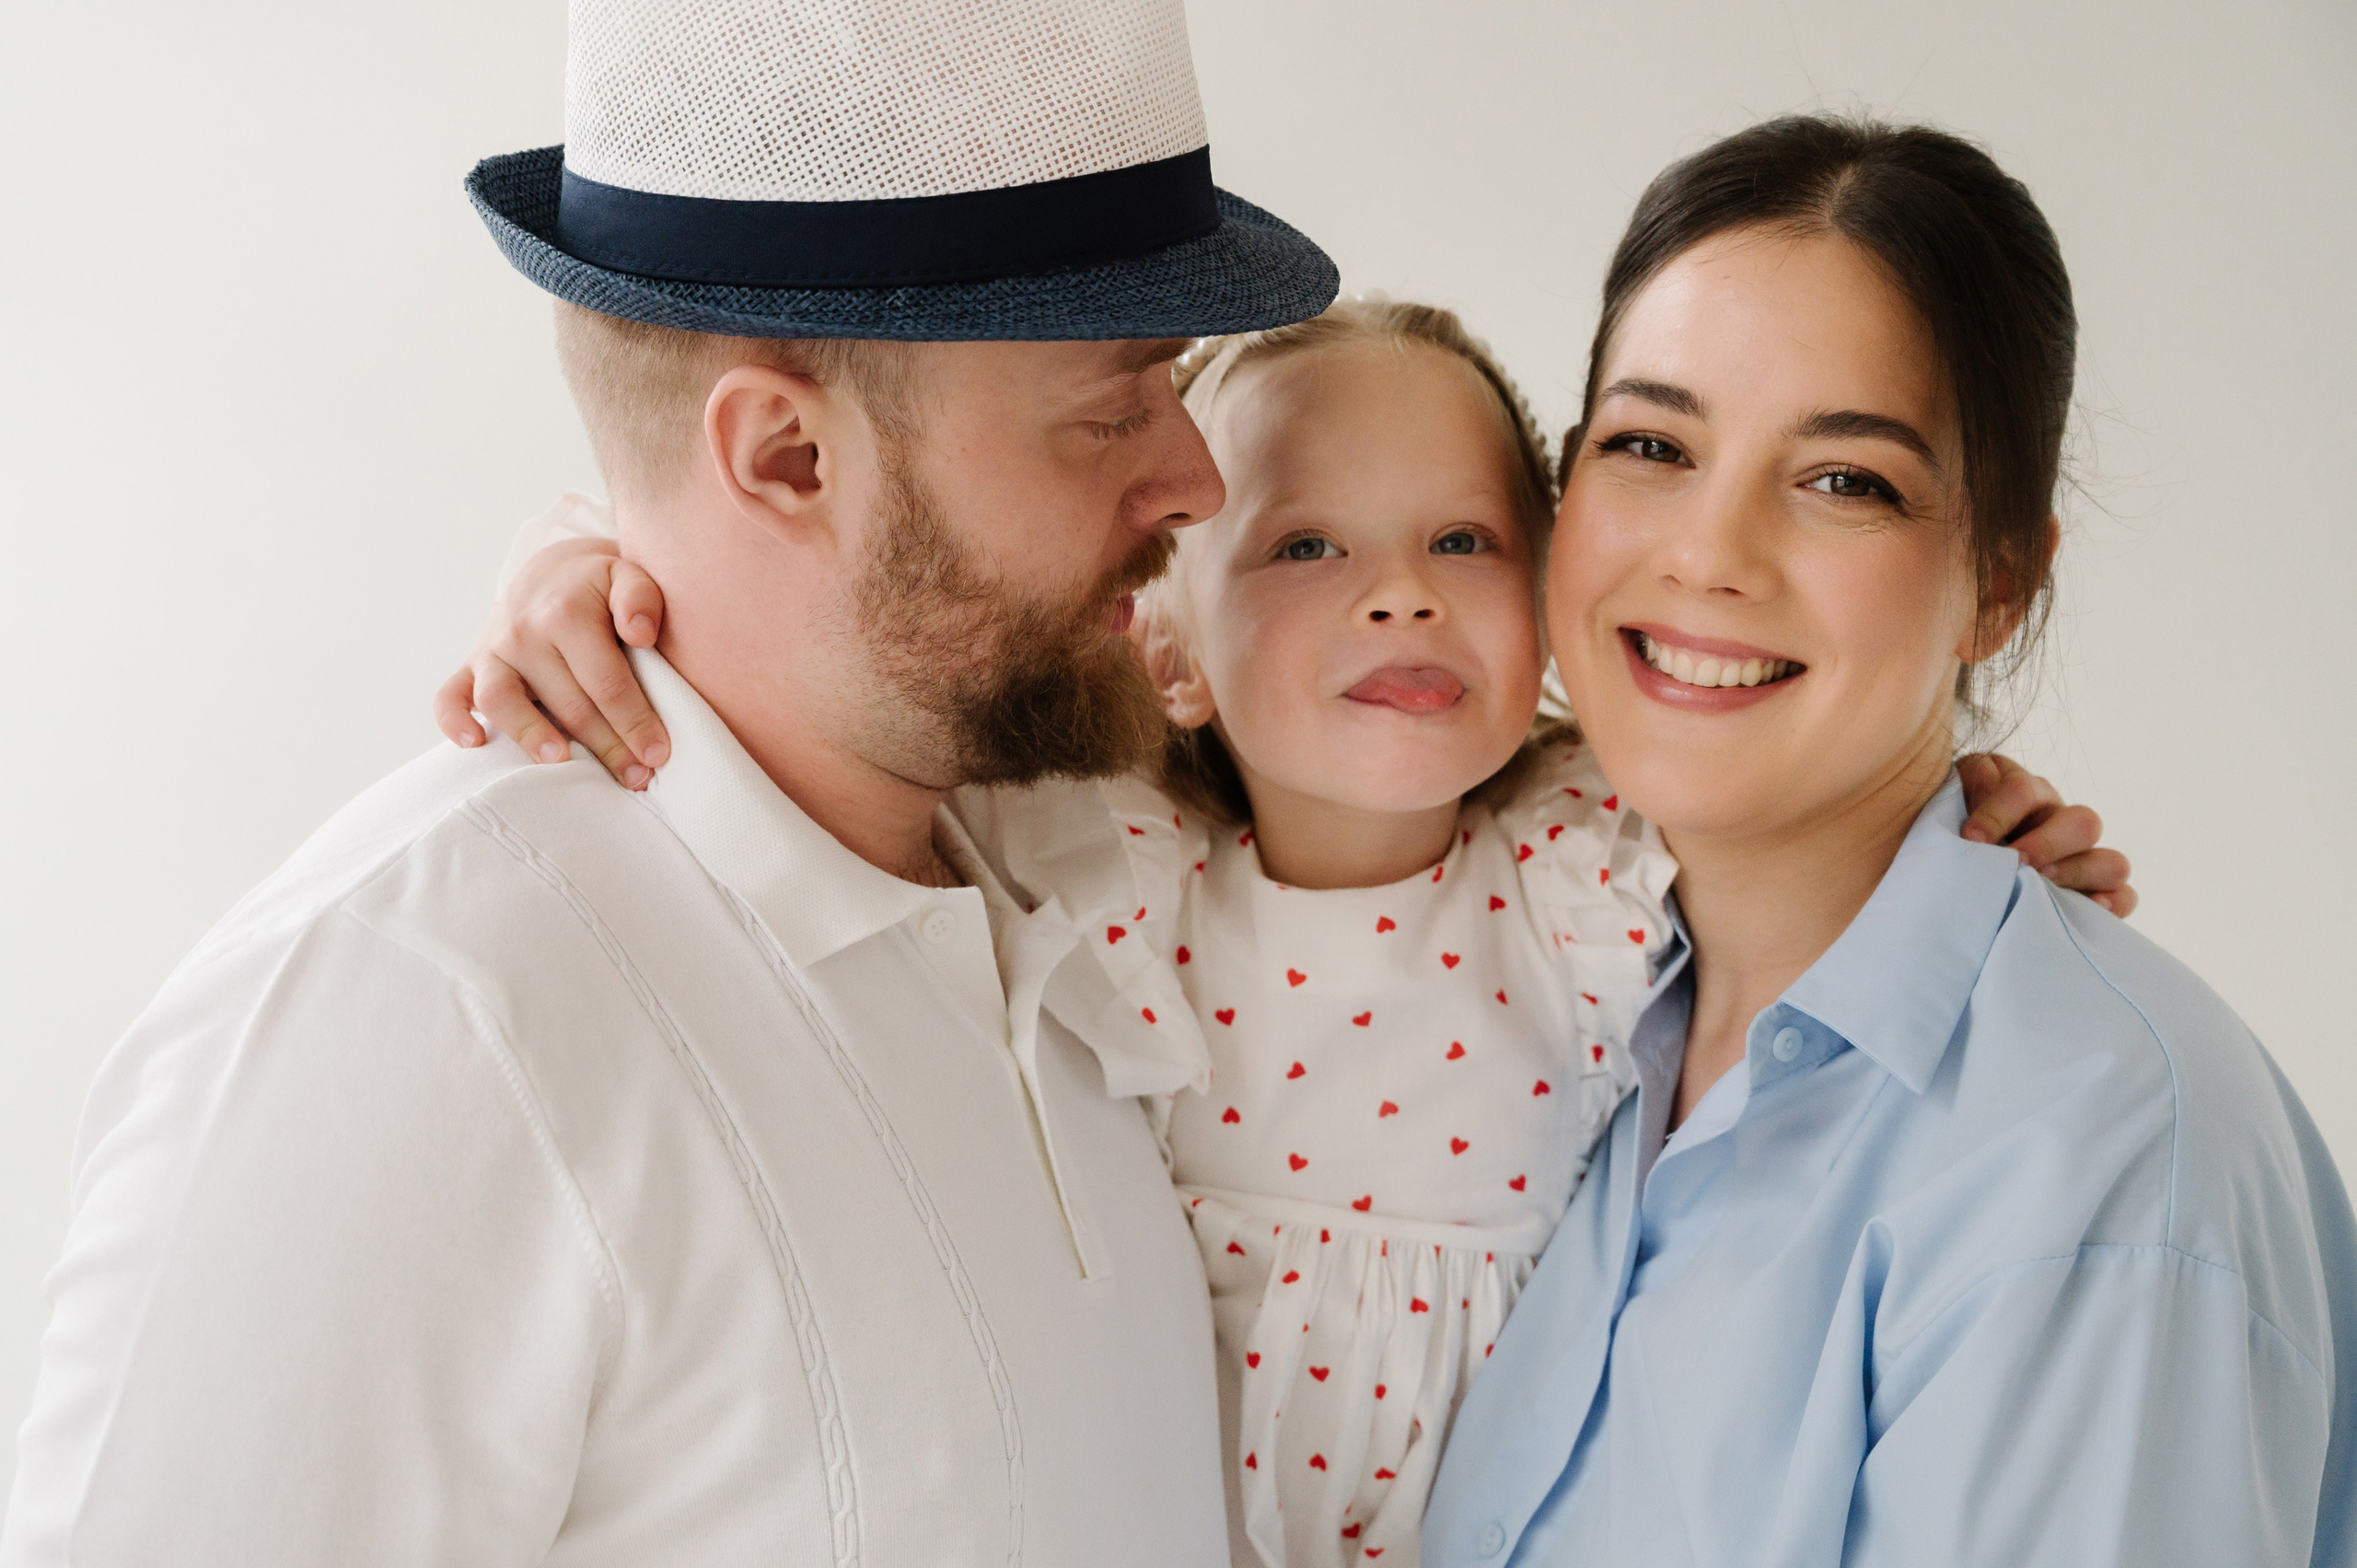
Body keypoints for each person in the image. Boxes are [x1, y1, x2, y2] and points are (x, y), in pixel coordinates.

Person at [436, 301, 2134, 1565]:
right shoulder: (1107, 861)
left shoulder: (1586, 875)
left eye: (1462, 542)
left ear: (1546, 613)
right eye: (1308, 544)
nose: (1396, 593)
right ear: (1161, 646)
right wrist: (574, 562)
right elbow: (805, 652)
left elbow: (1824, 842)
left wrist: (1973, 827)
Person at [0, 1, 1346, 1563]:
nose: (1195, 475)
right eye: (1113, 405)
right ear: (784, 457)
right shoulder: (424, 1017)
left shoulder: (1085, 894)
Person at [1418, 115, 2357, 1567]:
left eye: (1846, 479)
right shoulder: (1560, 993)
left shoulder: (2093, 1152)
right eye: (1652, 444)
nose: (1710, 554)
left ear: (1999, 584)